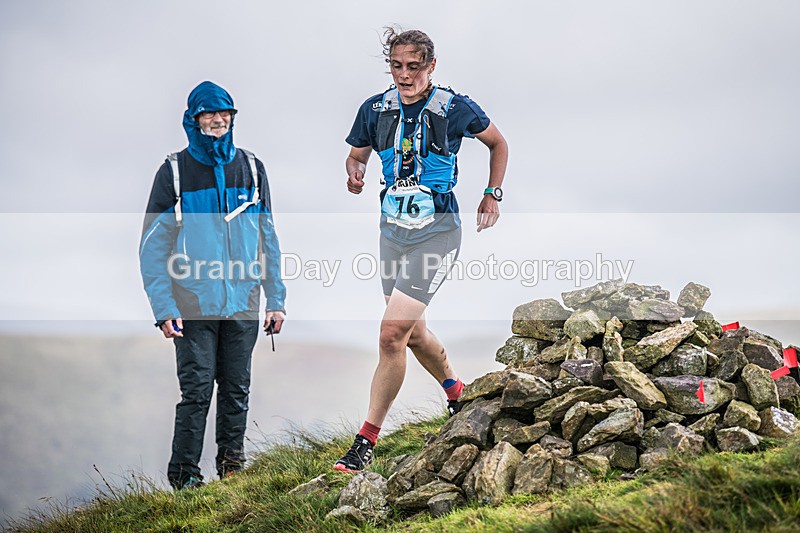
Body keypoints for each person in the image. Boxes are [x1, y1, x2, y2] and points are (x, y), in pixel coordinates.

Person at [334, 28, 508, 472]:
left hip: (438, 232)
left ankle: (365, 442)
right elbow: (357, 155)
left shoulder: (454, 107)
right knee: (411, 334)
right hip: (392, 232)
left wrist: (492, 193)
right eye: (397, 66)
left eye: (414, 67)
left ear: (432, 66)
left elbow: (498, 143)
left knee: (391, 334)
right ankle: (456, 392)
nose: (405, 75)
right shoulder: (374, 109)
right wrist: (355, 172)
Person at [139, 81, 286, 490]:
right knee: (198, 391)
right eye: (209, 114)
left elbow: (267, 237)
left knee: (237, 388)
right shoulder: (174, 172)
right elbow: (152, 248)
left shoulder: (253, 168)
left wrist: (277, 300)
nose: (218, 120)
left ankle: (232, 467)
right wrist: (163, 308)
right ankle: (185, 476)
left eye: (225, 114)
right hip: (192, 304)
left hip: (243, 300)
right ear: (193, 119)